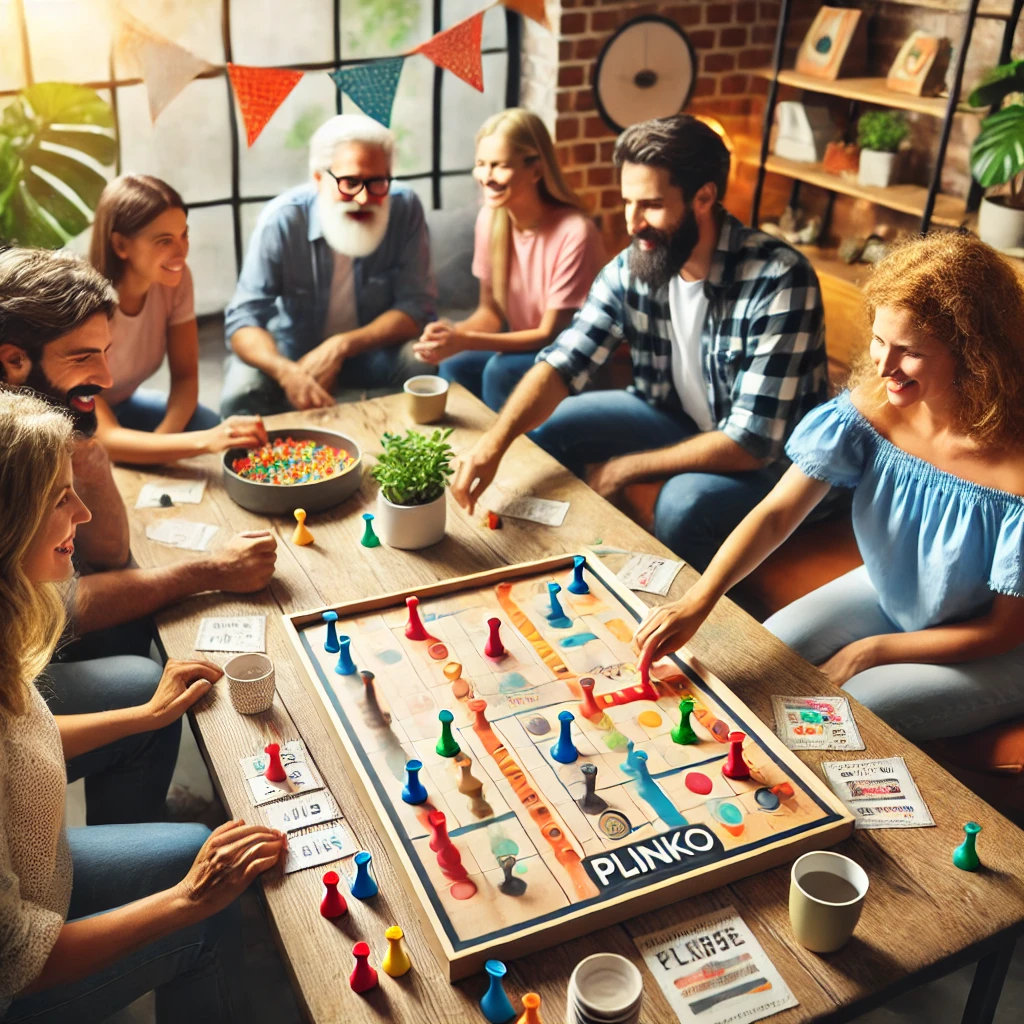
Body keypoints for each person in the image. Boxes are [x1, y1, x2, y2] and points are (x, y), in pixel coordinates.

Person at [633, 233, 1024, 743]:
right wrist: (699, 599)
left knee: (836, 719)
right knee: (762, 656)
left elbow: (1003, 631)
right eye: (880, 340)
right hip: (888, 592)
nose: (884, 367)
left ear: (974, 353)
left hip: (994, 648)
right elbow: (777, 512)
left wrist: (872, 650)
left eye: (910, 352)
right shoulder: (872, 410)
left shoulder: (1015, 468)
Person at [0, 390, 287, 1023]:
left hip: (48, 878)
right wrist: (186, 902)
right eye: (58, 499)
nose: (80, 512)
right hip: (18, 977)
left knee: (194, 845)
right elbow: (14, 964)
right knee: (208, 917)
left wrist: (145, 717)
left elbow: (21, 741)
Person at [451, 115, 828, 571]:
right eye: (628, 202)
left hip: (775, 465)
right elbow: (564, 362)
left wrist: (621, 469)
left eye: (650, 205)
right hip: (677, 417)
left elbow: (750, 443)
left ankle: (697, 622)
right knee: (547, 426)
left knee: (683, 503)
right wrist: (493, 443)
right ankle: (565, 566)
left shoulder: (780, 279)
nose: (633, 223)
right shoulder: (637, 263)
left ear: (704, 197)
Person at [0, 248, 277, 823]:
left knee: (131, 609)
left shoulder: (36, 422)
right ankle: (117, 840)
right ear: (14, 362)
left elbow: (109, 555)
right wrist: (210, 571)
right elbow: (66, 603)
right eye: (83, 357)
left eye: (105, 352)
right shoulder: (12, 451)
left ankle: (125, 803)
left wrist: (91, 454)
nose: (104, 377)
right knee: (141, 669)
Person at [222, 114, 437, 416]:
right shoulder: (282, 220)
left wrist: (340, 346)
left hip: (371, 351)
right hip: (294, 354)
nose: (364, 198)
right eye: (350, 182)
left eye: (377, 182)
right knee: (239, 394)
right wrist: (287, 372)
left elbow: (416, 308)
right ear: (319, 179)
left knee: (421, 363)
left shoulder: (405, 208)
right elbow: (243, 319)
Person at [414, 108, 604, 412]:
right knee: (457, 363)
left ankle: (505, 455)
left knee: (500, 371)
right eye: (480, 164)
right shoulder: (490, 218)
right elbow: (489, 313)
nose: (486, 177)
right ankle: (462, 450)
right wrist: (452, 334)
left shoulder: (576, 232)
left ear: (536, 170)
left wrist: (466, 340)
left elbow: (549, 334)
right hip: (526, 346)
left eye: (500, 166)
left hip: (572, 357)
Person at [86, 174, 267, 465]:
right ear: (121, 245)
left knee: (209, 423)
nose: (181, 251)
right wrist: (202, 442)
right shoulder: (84, 308)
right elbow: (106, 438)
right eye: (164, 241)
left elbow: (185, 378)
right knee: (209, 436)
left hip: (126, 404)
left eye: (184, 234)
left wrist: (161, 443)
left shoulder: (176, 281)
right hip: (74, 424)